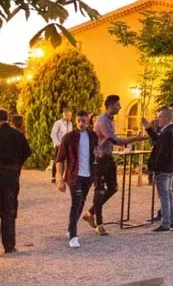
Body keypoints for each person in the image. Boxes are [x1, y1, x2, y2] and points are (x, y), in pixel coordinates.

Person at [82, 95, 147, 236]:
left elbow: (112, 141)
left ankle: (90, 212)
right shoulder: (102, 121)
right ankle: (99, 224)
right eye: (118, 105)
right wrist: (135, 138)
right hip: (99, 160)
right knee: (99, 191)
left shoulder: (110, 121)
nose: (120, 107)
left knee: (113, 188)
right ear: (111, 105)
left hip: (109, 158)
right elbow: (115, 140)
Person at [0, 108, 31, 257]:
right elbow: (27, 152)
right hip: (12, 175)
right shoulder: (18, 134)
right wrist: (17, 165)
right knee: (9, 210)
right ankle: (9, 246)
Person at [55, 110, 98, 247]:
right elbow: (59, 159)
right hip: (74, 175)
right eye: (79, 121)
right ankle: (73, 236)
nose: (81, 123)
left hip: (88, 175)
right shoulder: (68, 137)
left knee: (81, 202)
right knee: (76, 202)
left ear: (88, 121)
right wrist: (59, 178)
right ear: (75, 121)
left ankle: (70, 228)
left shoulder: (93, 136)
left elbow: (96, 153)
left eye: (84, 121)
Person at [142, 107, 173, 233]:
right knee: (168, 193)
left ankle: (166, 223)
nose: (158, 120)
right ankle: (172, 220)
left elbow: (161, 152)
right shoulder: (172, 129)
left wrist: (153, 168)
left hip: (163, 168)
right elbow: (158, 141)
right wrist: (148, 128)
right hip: (170, 167)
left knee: (164, 195)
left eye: (160, 117)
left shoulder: (168, 131)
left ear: (166, 118)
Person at [50, 109, 74, 184]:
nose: (70, 116)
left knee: (69, 160)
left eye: (70, 115)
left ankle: (66, 176)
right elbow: (53, 134)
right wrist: (58, 143)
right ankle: (54, 177)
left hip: (68, 145)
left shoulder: (70, 124)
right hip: (59, 145)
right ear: (64, 114)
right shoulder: (58, 123)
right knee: (58, 160)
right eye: (68, 115)